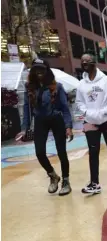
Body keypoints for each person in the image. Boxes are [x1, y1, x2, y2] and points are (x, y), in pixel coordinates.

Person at [16, 58, 73, 196]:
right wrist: (25, 128)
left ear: (47, 70)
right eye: (36, 69)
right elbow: (26, 109)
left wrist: (68, 126)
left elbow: (65, 108)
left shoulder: (57, 86)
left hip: (56, 119)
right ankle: (53, 175)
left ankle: (66, 181)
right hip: (40, 121)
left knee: (61, 152)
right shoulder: (29, 87)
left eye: (42, 69)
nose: (39, 72)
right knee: (39, 152)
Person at [76, 53, 107, 194]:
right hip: (90, 122)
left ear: (94, 63)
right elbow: (79, 102)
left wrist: (103, 112)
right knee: (93, 151)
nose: (85, 64)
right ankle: (94, 183)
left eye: (87, 61)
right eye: (82, 62)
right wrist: (87, 113)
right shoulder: (81, 84)